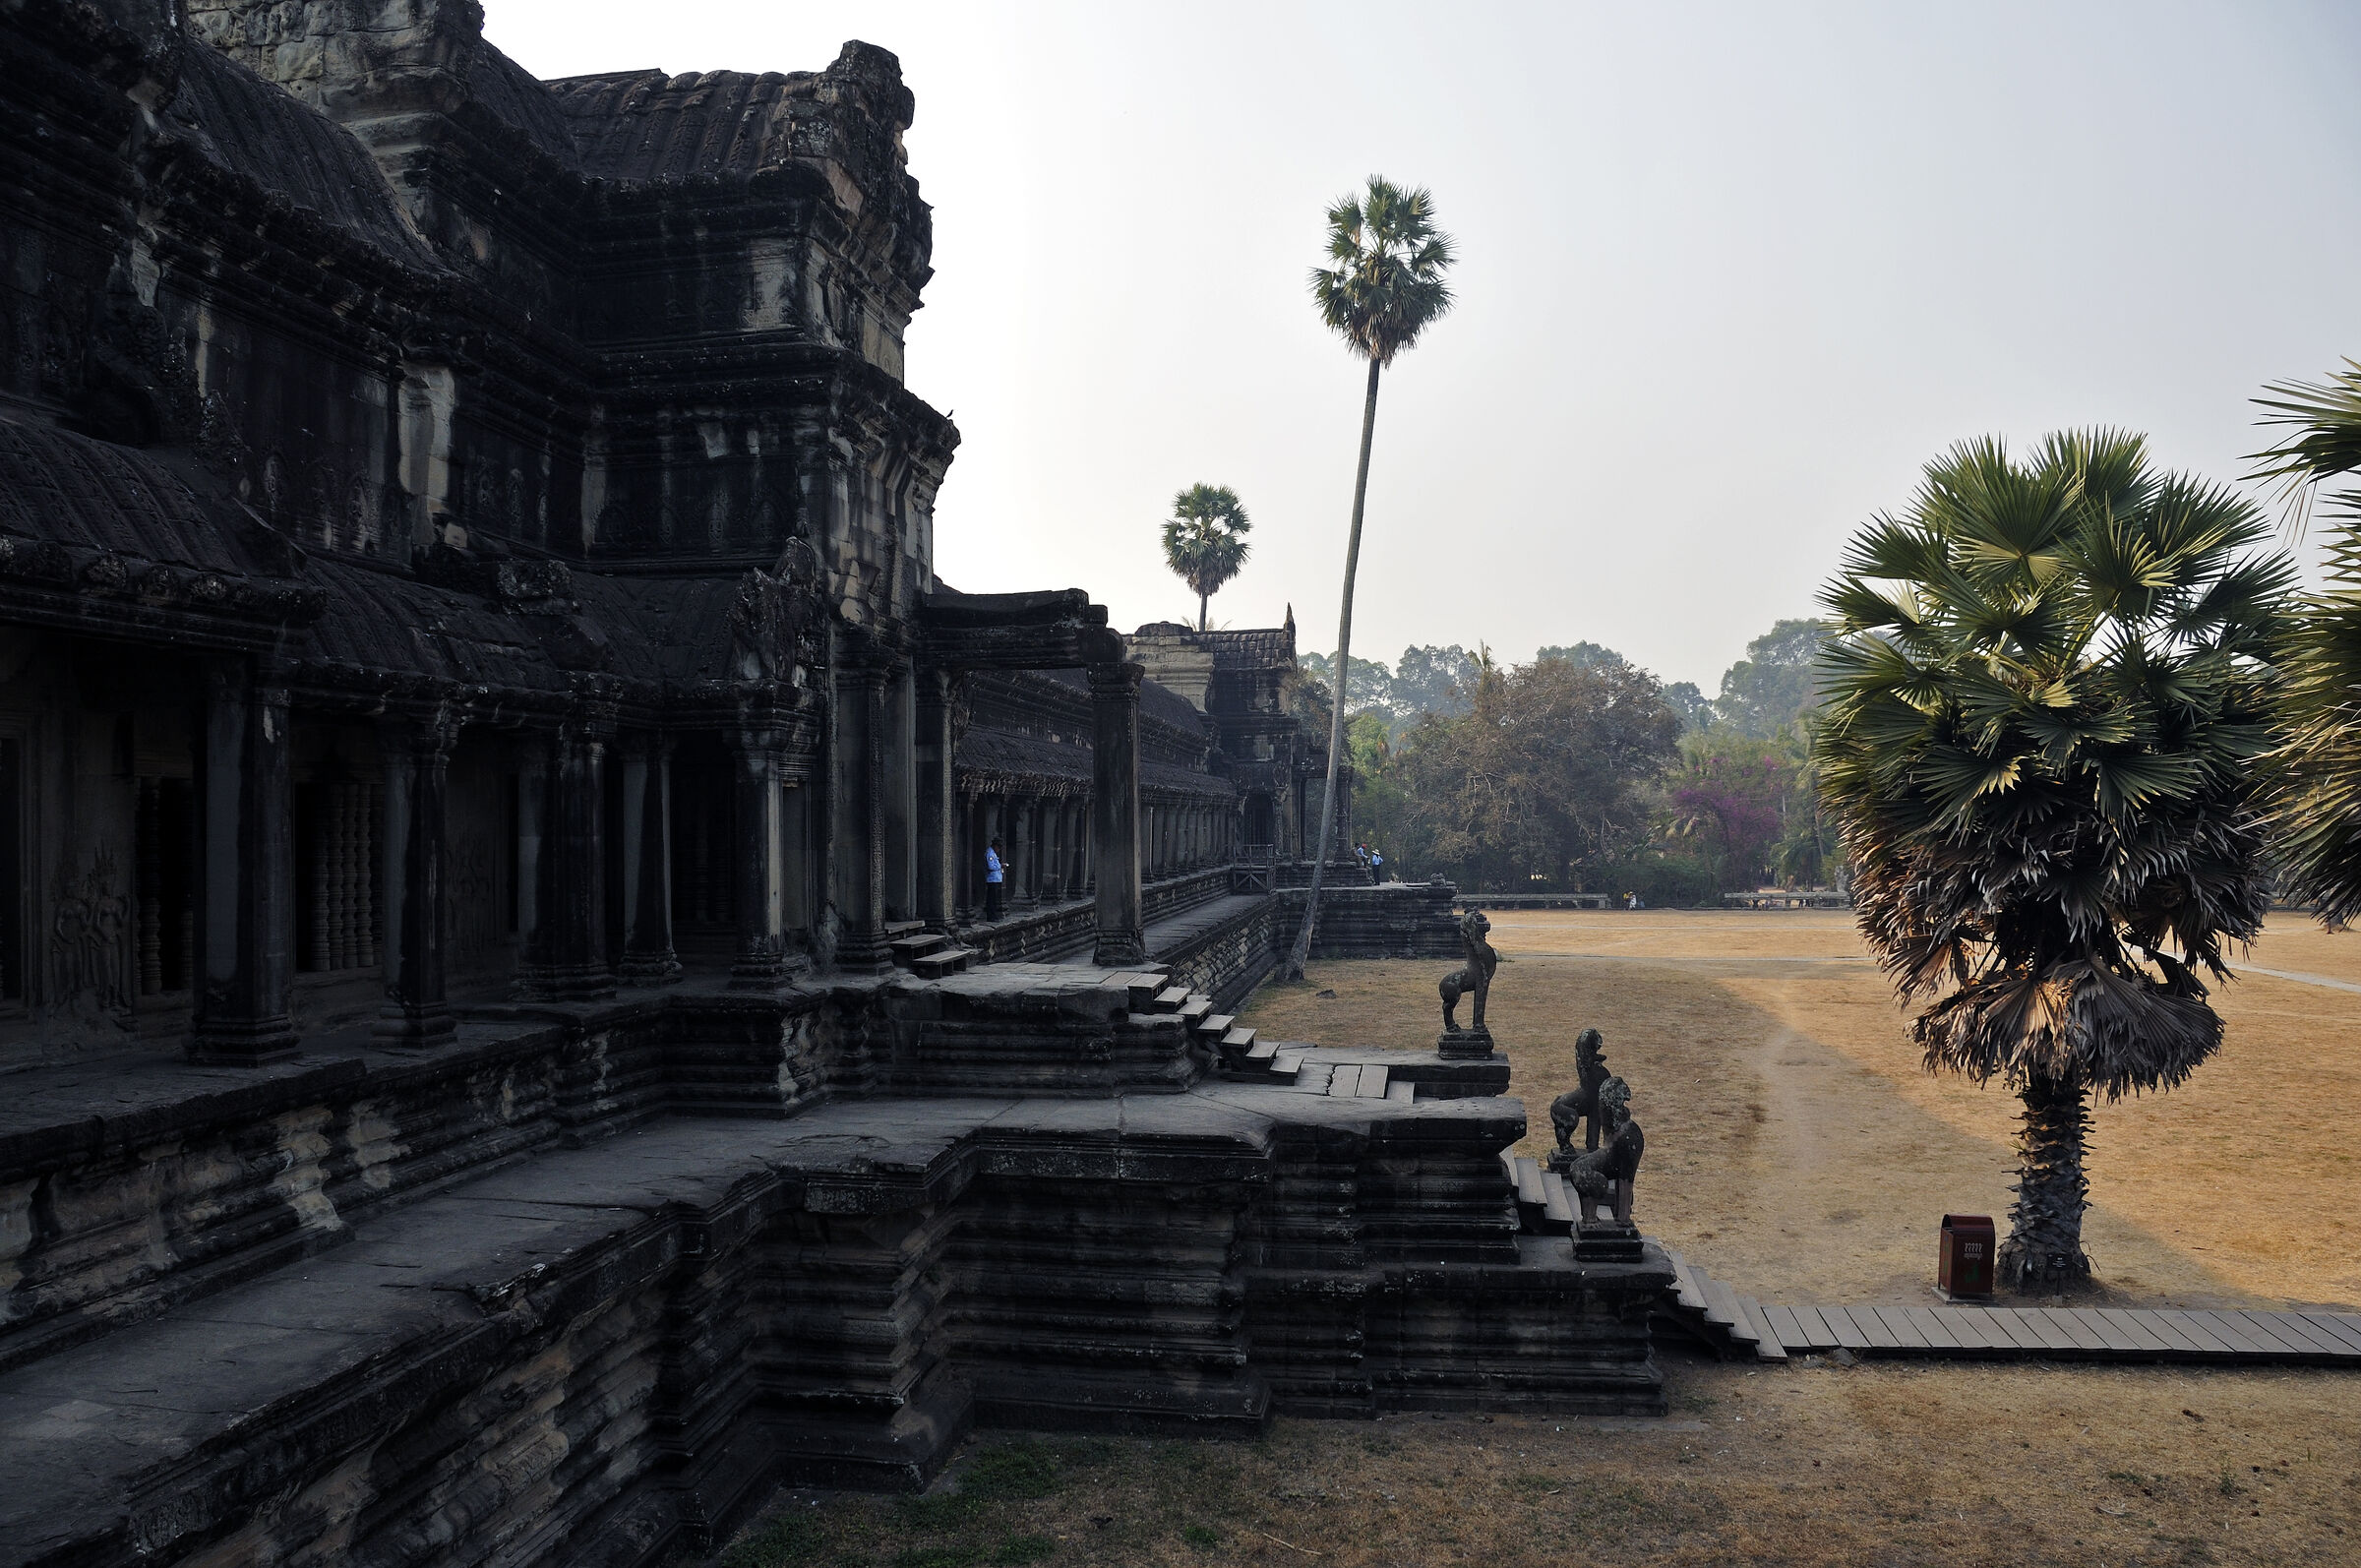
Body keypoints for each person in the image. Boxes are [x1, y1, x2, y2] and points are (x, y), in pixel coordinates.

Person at [984, 837, 1006, 921]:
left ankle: (993, 916)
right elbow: (990, 866)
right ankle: (991, 916)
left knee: (993, 899)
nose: (999, 849)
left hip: (995, 879)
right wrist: (1000, 866)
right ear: (995, 845)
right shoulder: (990, 853)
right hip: (992, 880)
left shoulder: (993, 853)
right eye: (999, 847)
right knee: (991, 899)